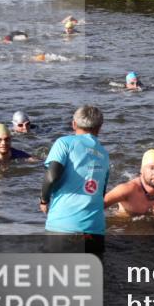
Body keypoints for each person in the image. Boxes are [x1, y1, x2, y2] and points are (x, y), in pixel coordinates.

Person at [40, 105, 109, 258]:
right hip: (94, 229)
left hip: (63, 227)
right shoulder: (104, 154)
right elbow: (101, 193)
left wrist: (44, 200)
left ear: (74, 124)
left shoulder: (64, 143)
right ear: (99, 128)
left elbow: (51, 176)